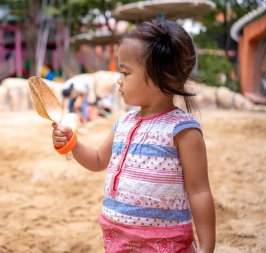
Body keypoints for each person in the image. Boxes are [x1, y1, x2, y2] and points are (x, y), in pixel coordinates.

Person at [52, 19, 215, 253]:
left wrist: (207, 248)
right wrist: (73, 144)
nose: (119, 79)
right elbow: (98, 160)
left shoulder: (182, 129)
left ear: (165, 76)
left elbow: (199, 191)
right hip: (117, 239)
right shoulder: (123, 123)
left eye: (126, 72)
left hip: (164, 244)